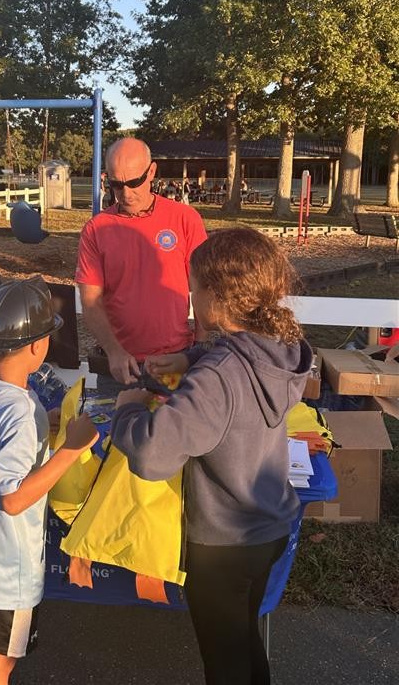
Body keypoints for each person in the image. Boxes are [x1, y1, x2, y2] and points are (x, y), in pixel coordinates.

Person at [110, 227, 312, 685]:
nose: (191, 296)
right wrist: (191, 357)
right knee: (243, 642)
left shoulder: (219, 376)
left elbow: (153, 454)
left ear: (217, 297)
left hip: (224, 546)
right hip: (271, 525)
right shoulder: (279, 346)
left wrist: (127, 414)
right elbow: (236, 360)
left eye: (194, 288)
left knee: (224, 664)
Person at [0, 276, 98, 685]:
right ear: (37, 346)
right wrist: (69, 449)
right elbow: (13, 499)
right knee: (2, 664)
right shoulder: (16, 409)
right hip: (8, 566)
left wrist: (41, 425)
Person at [76, 138, 207, 393]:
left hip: (173, 363)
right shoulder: (96, 229)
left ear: (152, 172)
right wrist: (114, 351)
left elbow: (205, 285)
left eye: (134, 182)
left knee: (175, 432)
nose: (126, 193)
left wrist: (200, 348)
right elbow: (91, 300)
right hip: (119, 368)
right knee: (115, 432)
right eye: (116, 184)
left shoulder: (184, 219)